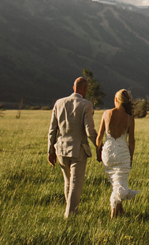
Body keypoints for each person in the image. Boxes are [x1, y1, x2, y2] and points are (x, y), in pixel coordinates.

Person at [48, 77, 99, 218]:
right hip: (78, 150)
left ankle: (70, 211)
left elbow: (52, 129)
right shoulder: (86, 105)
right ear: (85, 89)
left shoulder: (59, 103)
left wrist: (50, 151)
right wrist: (99, 146)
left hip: (61, 150)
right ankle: (70, 216)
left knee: (68, 182)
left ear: (73, 87)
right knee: (76, 184)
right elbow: (90, 131)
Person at [96, 89, 139, 218]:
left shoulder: (106, 114)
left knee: (116, 183)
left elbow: (99, 137)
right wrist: (131, 158)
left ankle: (120, 211)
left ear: (116, 100)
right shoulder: (130, 119)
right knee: (119, 182)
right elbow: (131, 142)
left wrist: (98, 151)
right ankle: (114, 211)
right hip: (122, 153)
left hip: (108, 152)